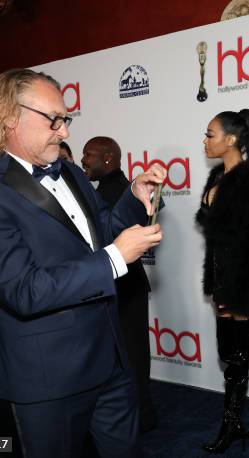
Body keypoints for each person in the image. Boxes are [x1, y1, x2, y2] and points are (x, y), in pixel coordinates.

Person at [0, 68, 165, 458]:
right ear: (9, 117)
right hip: (48, 379)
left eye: (66, 120)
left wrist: (133, 195)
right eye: (55, 120)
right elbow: (24, 290)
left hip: (110, 360)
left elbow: (102, 232)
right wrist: (115, 258)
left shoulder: (73, 174)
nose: (64, 132)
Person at [196, 109, 249, 453]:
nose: (204, 140)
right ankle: (247, 417)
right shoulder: (217, 176)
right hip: (221, 277)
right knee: (234, 354)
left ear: (231, 139)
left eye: (210, 134)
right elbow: (210, 226)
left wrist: (241, 294)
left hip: (245, 281)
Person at [81, 135, 157, 432]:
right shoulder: (101, 190)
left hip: (126, 290)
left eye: (88, 155)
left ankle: (141, 417)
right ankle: (138, 416)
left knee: (133, 358)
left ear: (108, 159)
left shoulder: (118, 194)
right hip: (114, 288)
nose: (83, 160)